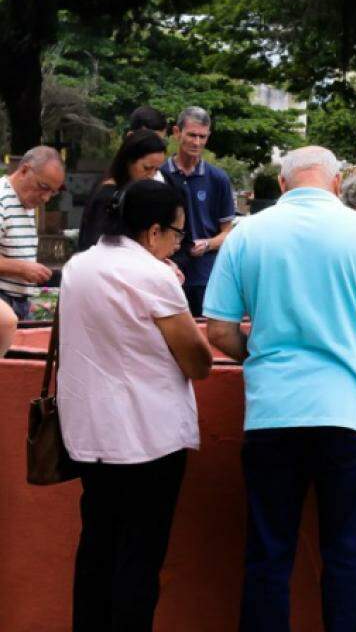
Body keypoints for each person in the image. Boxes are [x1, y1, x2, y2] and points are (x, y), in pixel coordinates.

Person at [203, 146, 356, 631]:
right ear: (338, 183)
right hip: (347, 411)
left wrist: (258, 357)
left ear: (281, 184)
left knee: (268, 556)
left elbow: (219, 331)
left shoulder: (247, 233)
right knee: (347, 557)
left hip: (273, 410)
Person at [59, 179, 212, 631]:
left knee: (97, 548)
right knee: (140, 557)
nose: (178, 245)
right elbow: (197, 360)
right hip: (149, 437)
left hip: (90, 434)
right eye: (177, 234)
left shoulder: (78, 266)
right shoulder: (153, 274)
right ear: (152, 232)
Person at [159, 107, 236, 317]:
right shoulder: (160, 176)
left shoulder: (218, 179)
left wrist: (207, 244)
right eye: (191, 135)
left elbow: (228, 233)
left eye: (202, 136)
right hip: (166, 273)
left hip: (205, 275)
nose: (197, 142)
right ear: (177, 132)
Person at [0, 146, 65, 319]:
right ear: (24, 170)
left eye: (53, 192)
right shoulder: (2, 199)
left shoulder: (25, 201)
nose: (46, 198)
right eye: (43, 187)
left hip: (18, 302)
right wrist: (22, 268)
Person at [78, 130, 169, 252]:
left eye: (156, 170)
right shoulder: (109, 196)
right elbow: (96, 245)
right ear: (129, 161)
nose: (151, 176)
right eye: (147, 168)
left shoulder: (131, 192)